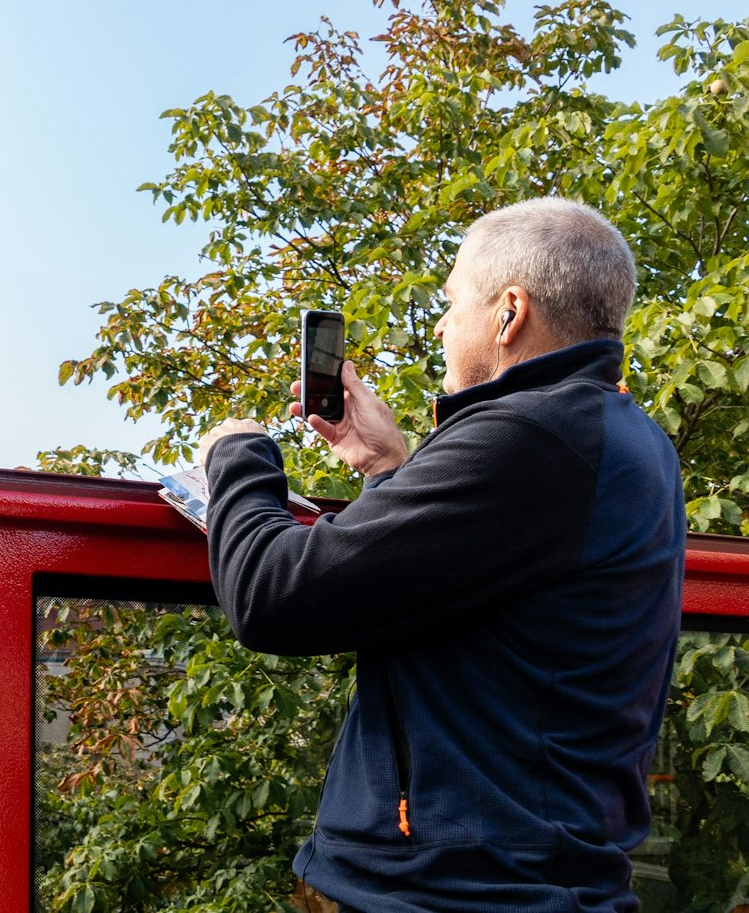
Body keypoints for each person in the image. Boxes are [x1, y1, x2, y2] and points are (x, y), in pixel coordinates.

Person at [198, 197, 685, 913]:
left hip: (455, 893)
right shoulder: (620, 434)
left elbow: (273, 597)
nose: (439, 323)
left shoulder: (533, 438)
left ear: (508, 313)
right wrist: (385, 466)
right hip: (524, 881)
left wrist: (236, 457)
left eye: (452, 300)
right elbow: (473, 592)